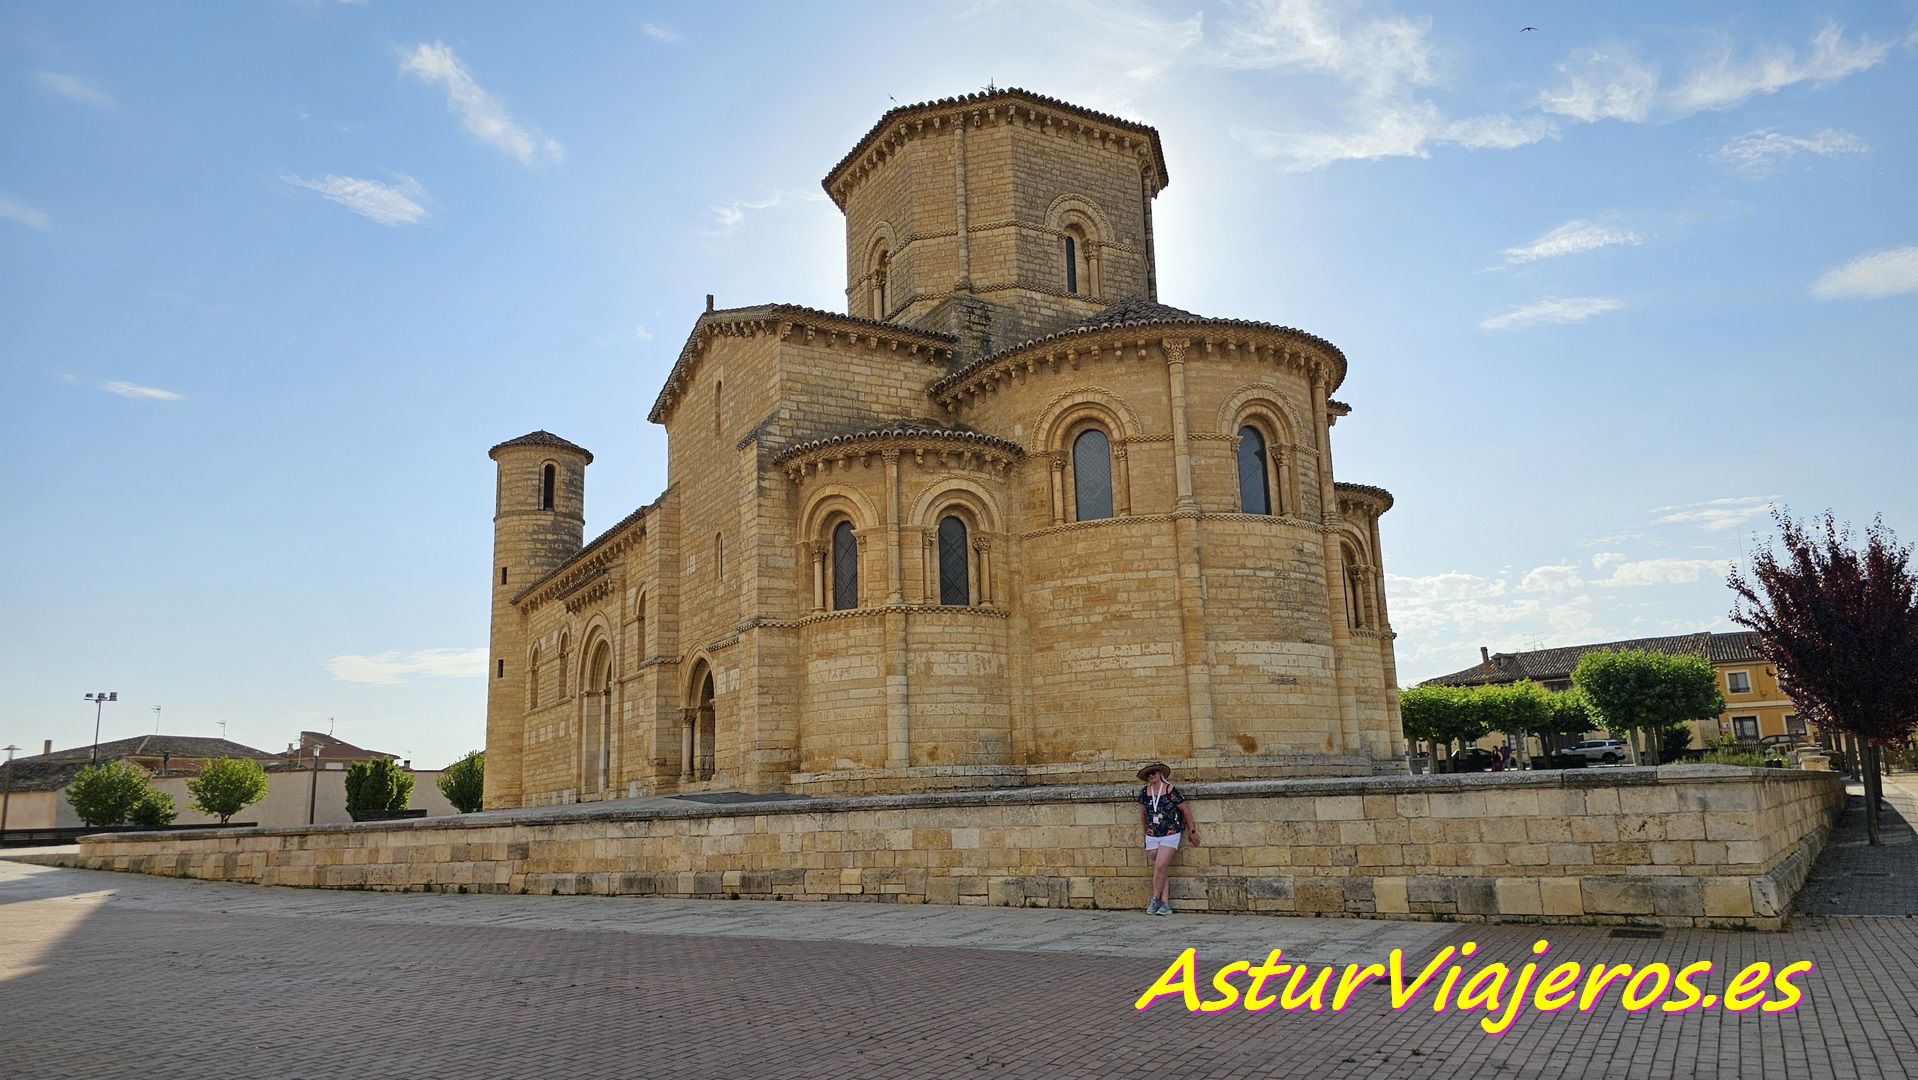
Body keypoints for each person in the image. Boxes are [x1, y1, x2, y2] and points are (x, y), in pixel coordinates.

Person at [1136, 762, 1198, 915]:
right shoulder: (1145, 792)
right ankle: (1165, 905)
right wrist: (1144, 833)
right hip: (1152, 834)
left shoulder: (1170, 790)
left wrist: (1192, 830)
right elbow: (1143, 815)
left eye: (1154, 772)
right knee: (1161, 869)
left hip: (1170, 833)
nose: (1152, 775)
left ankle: (1155, 898)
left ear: (1160, 774)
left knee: (1160, 866)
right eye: (1148, 774)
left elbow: (1185, 810)